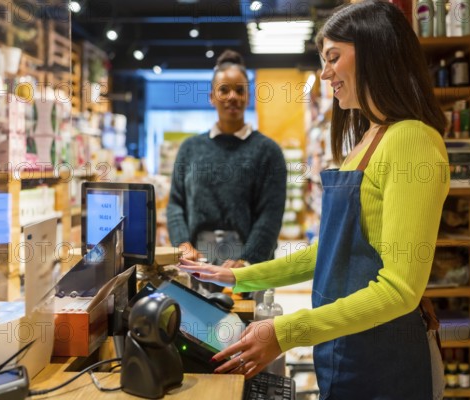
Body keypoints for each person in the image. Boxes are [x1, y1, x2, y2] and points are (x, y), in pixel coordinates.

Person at [178, 2, 450, 398]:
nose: (325, 73)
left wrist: (287, 331)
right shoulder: (371, 139)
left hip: (386, 362)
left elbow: (399, 290)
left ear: (375, 51)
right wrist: (239, 277)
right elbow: (330, 252)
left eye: (333, 58)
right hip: (349, 345)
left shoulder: (412, 141)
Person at [166, 49, 287, 295]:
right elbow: (175, 204)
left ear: (248, 96)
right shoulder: (190, 148)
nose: (232, 96)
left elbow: (270, 214)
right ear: (212, 97)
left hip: (249, 264)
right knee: (196, 329)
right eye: (224, 90)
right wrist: (183, 245)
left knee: (247, 329)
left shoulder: (268, 151)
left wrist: (246, 261)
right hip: (198, 260)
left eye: (240, 90)